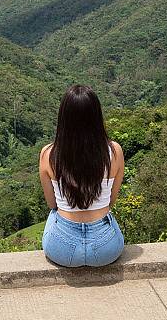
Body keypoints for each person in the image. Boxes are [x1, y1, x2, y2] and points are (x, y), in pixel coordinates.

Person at [39, 84, 125, 267]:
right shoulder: (115, 152)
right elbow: (110, 201)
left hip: (61, 249)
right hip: (105, 249)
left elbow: (52, 204)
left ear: (64, 118)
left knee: (54, 213)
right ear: (96, 116)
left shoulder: (48, 154)